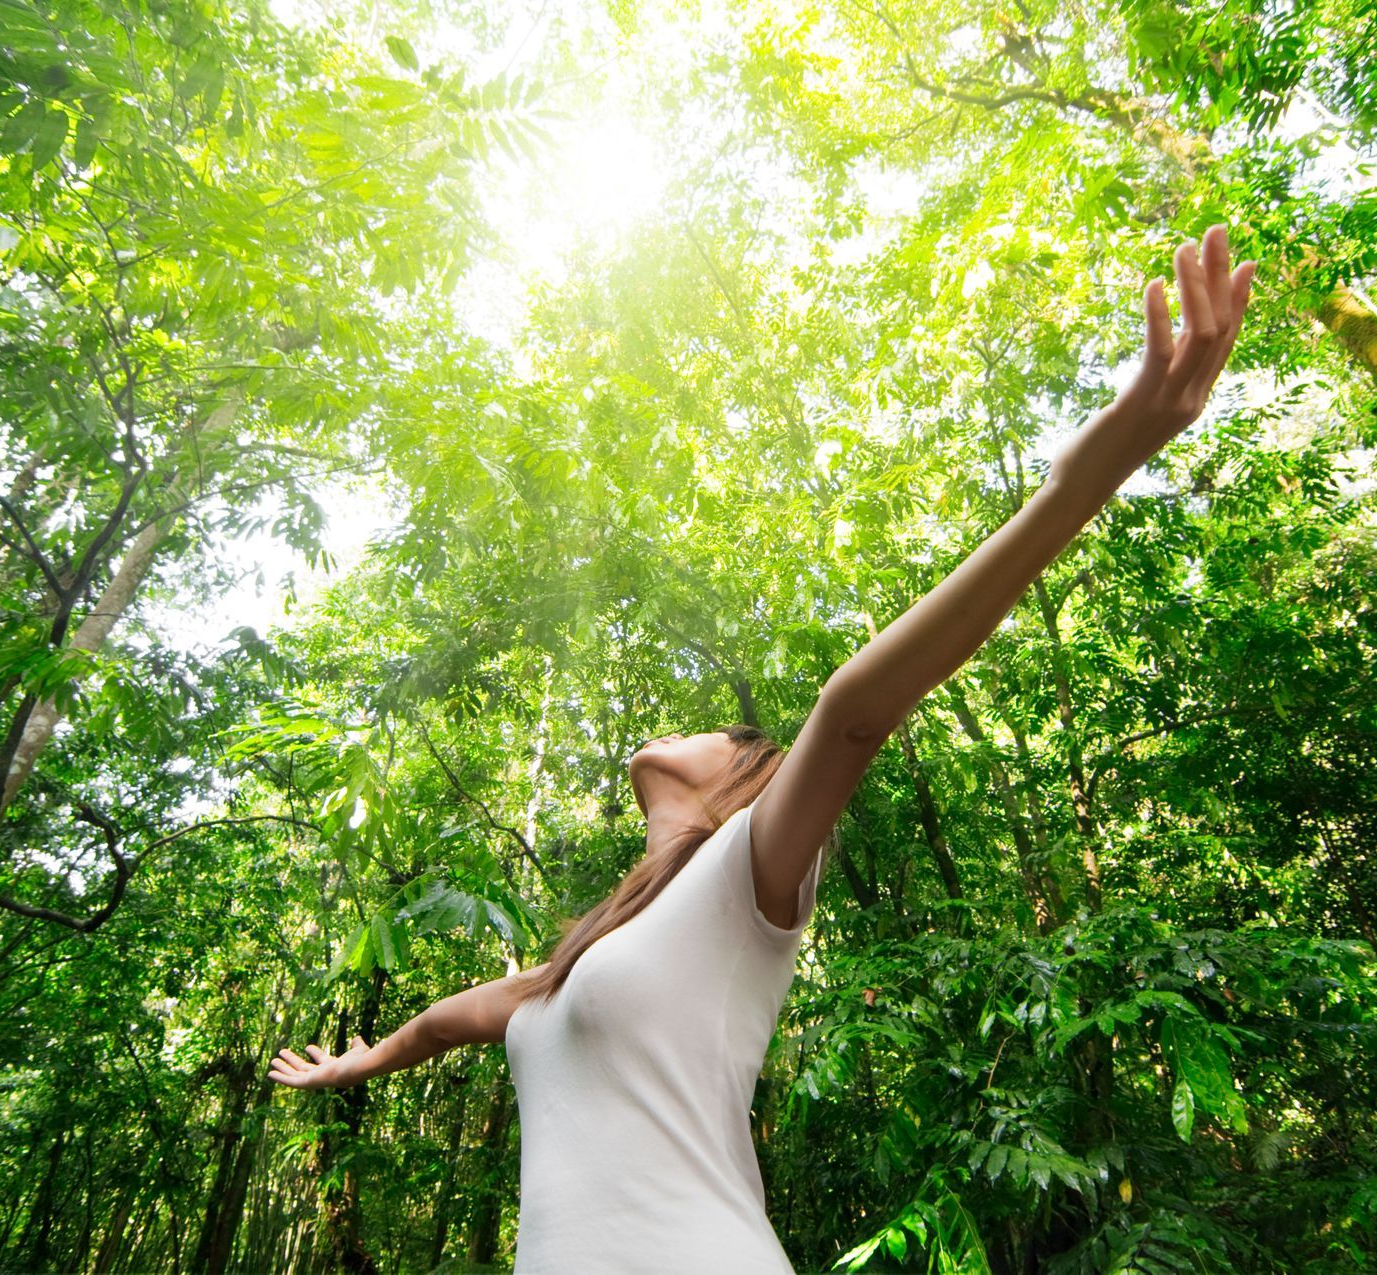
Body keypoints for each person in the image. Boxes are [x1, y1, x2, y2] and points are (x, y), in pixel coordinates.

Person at [268, 226, 1256, 1270]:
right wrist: (356, 1065)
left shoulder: (750, 876)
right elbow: (443, 1020)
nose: (680, 728)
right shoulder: (569, 972)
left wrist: (1088, 471)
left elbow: (854, 709)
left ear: (739, 781)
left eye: (716, 732)